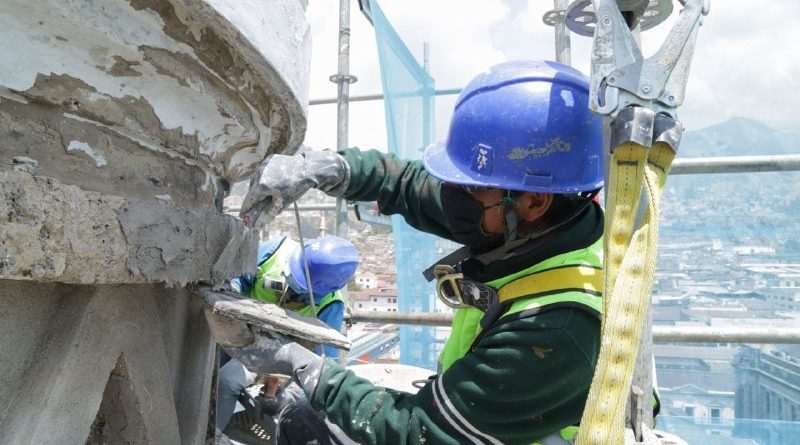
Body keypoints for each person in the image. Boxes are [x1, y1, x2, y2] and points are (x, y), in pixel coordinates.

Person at [217, 60, 606, 445]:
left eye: (469, 187)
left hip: (497, 434)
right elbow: (406, 184)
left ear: (534, 202)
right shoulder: (524, 222)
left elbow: (420, 432)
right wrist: (334, 169)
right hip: (481, 416)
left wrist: (309, 369)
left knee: (305, 422)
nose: (452, 196)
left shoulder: (555, 327)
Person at [216, 235, 359, 432]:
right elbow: (239, 278)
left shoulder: (330, 306)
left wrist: (288, 396)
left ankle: (209, 435)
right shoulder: (274, 251)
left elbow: (321, 367)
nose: (292, 280)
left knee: (227, 381)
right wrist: (230, 291)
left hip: (272, 353)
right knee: (207, 372)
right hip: (236, 329)